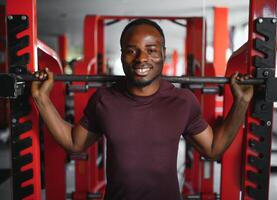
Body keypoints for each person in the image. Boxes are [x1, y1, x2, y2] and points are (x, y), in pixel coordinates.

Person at [31, 19, 253, 200]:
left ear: (163, 53)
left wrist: (241, 103)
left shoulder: (183, 102)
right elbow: (75, 142)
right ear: (122, 55)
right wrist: (42, 99)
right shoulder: (104, 99)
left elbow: (213, 148)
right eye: (131, 51)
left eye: (151, 50)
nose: (142, 59)